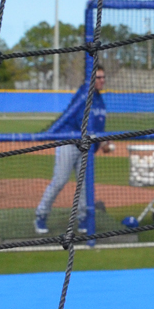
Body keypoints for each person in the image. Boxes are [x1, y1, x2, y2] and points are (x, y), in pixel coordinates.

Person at [34, 66, 109, 235]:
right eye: (98, 77)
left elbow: (98, 125)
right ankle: (41, 215)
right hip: (69, 142)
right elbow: (81, 121)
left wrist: (104, 141)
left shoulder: (100, 99)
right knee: (60, 180)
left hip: (86, 147)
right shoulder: (84, 95)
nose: (102, 80)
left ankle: (83, 219)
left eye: (103, 77)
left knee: (84, 186)